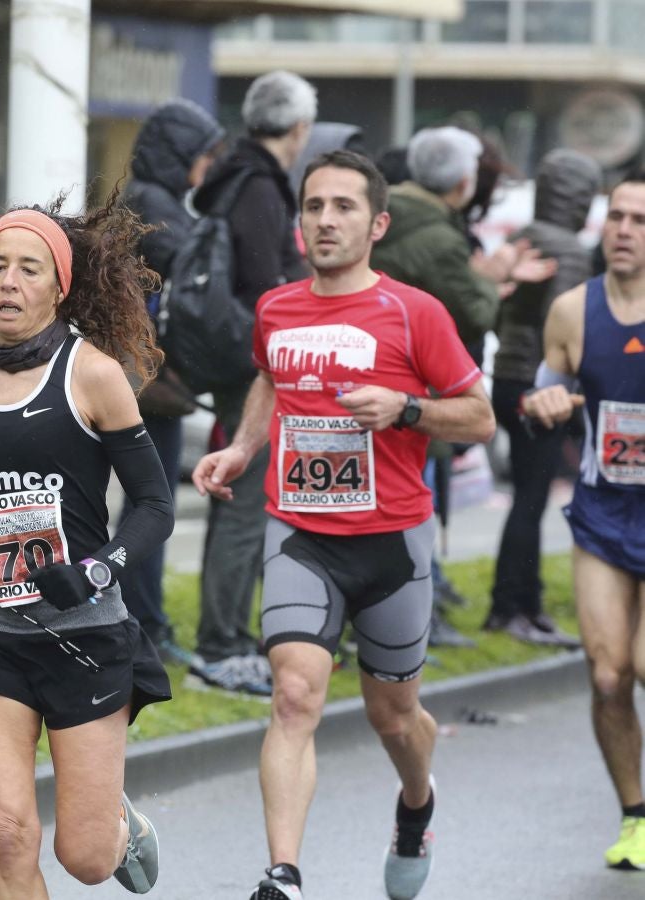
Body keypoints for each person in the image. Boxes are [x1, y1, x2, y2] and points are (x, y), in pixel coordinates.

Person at [193, 150, 494, 900]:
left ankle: (417, 805)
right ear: (299, 223)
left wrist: (408, 409)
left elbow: (482, 418)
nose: (326, 220)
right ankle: (284, 875)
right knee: (294, 695)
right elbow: (270, 375)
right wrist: (241, 446)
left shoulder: (415, 313)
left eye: (344, 207)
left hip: (392, 544)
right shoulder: (277, 308)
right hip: (302, 536)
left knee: (394, 719)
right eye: (314, 206)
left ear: (378, 223)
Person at [0, 195, 175, 897]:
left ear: (59, 287)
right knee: (7, 831)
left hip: (83, 635)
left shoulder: (94, 376)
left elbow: (155, 504)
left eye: (30, 269)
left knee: (85, 859)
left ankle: (118, 824)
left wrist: (98, 571)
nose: (10, 282)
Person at [370, 126, 551, 648]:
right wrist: (493, 283)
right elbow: (472, 312)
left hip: (375, 379)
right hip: (411, 392)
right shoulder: (442, 236)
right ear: (463, 182)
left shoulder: (389, 212)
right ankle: (408, 620)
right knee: (410, 505)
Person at [520, 170, 645, 873]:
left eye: (640, 220)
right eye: (617, 217)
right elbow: (545, 394)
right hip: (603, 511)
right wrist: (545, 409)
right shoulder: (573, 309)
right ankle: (636, 818)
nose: (624, 230)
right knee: (607, 676)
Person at [186, 70, 314, 697]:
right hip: (254, 363)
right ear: (299, 128)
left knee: (233, 498)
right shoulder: (261, 186)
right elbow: (270, 288)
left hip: (228, 353)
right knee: (246, 506)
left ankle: (225, 633)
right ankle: (224, 643)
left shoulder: (229, 173)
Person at [120, 98, 225, 667]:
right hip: (143, 382)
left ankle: (139, 620)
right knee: (150, 504)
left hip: (138, 378)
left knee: (141, 502)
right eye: (203, 156)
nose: (206, 168)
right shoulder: (155, 205)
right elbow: (195, 265)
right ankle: (141, 625)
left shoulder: (147, 199)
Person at [486, 149, 601, 646]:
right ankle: (513, 606)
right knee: (531, 499)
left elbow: (498, 312)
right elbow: (572, 325)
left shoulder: (521, 236)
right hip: (543, 386)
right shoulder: (569, 248)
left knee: (525, 497)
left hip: (507, 377)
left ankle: (520, 602)